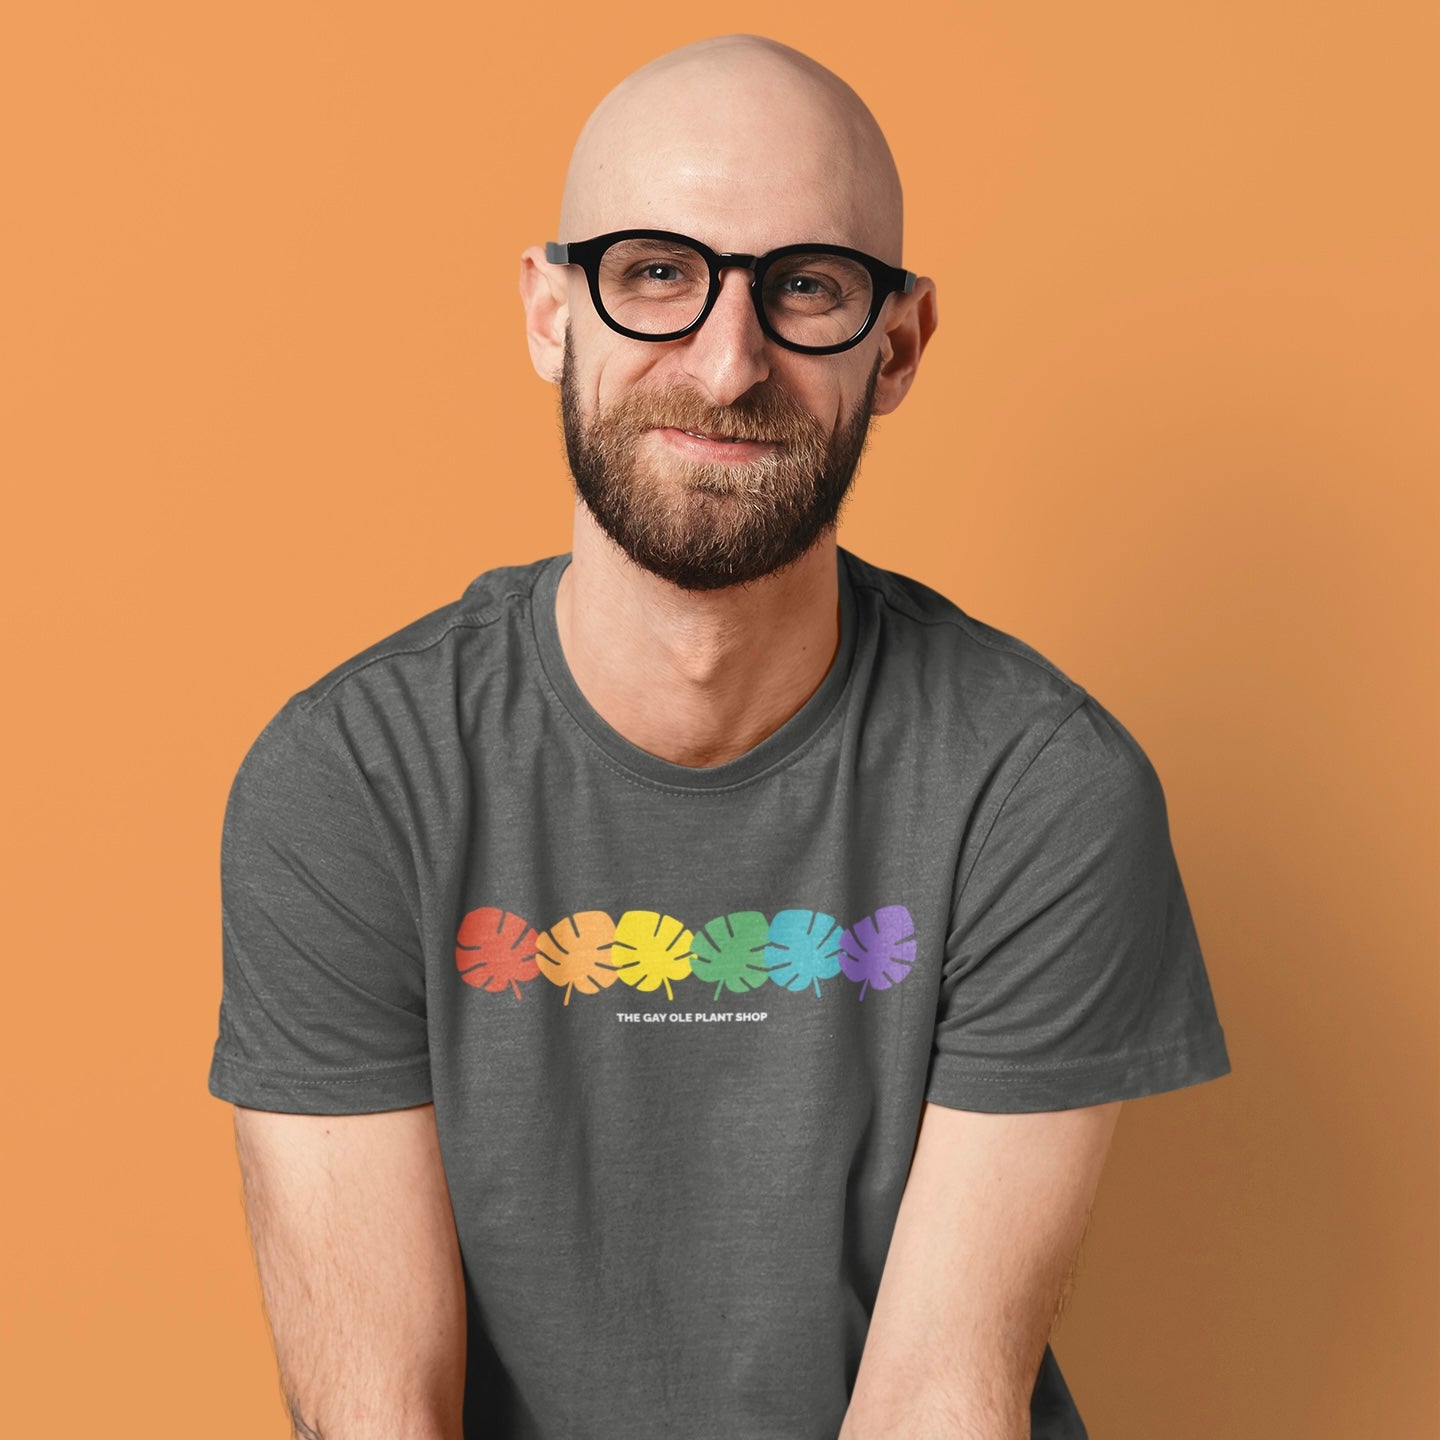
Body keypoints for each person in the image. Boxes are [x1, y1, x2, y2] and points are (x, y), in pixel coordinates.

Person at [207, 33, 1232, 1440]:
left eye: (807, 287)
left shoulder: (1037, 790)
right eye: (654, 274)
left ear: (900, 344)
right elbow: (375, 1409)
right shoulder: (350, 786)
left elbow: (941, 1399)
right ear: (551, 313)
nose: (728, 359)